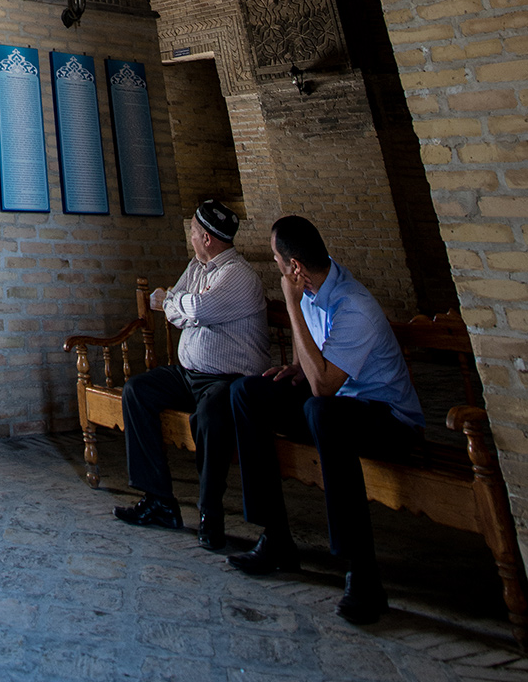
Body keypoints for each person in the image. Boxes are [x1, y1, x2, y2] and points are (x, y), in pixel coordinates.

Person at [228, 214, 424, 625]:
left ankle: (363, 575)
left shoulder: (354, 305)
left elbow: (324, 388)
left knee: (321, 411)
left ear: (295, 268)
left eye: (278, 261)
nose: (277, 268)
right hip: (340, 409)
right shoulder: (317, 290)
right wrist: (295, 369)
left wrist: (290, 303)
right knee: (248, 393)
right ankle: (276, 538)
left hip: (388, 420)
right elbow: (312, 367)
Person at [113, 198, 270, 550]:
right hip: (190, 374)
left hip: (228, 380)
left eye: (195, 233)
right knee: (138, 391)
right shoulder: (198, 267)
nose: (192, 239)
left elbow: (193, 308)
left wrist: (176, 302)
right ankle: (159, 501)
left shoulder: (238, 276)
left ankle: (210, 513)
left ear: (208, 239)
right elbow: (176, 310)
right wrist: (178, 304)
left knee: (210, 417)